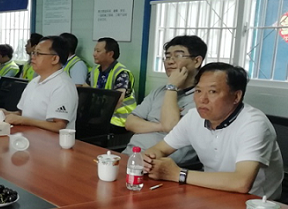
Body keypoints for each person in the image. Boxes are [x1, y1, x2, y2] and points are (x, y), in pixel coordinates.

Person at [142, 63, 283, 199]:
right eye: (198, 91)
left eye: (212, 92)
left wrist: (177, 174)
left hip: (255, 203)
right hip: (211, 192)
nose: (202, 99)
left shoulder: (253, 123)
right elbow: (160, 149)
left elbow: (241, 182)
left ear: (236, 97)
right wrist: (148, 160)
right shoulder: (193, 117)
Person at [124, 35, 207, 164]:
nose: (169, 61)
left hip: (162, 165)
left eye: (178, 56)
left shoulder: (201, 98)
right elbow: (130, 123)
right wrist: (160, 126)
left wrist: (172, 87)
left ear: (197, 61)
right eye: (167, 57)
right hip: (130, 156)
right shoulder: (159, 91)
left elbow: (171, 126)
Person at [0, 35, 78, 132]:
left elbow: (59, 126)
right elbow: (23, 114)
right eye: (33, 53)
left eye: (38, 53)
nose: (33, 57)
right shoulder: (34, 81)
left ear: (55, 59)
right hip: (28, 135)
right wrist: (7, 113)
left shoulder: (63, 85)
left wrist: (23, 120)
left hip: (50, 140)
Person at [87, 37, 137, 131]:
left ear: (110, 54)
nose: (94, 54)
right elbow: (85, 90)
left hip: (119, 119)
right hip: (100, 115)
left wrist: (101, 118)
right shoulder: (95, 71)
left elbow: (119, 99)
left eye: (98, 51)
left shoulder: (121, 73)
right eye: (94, 50)